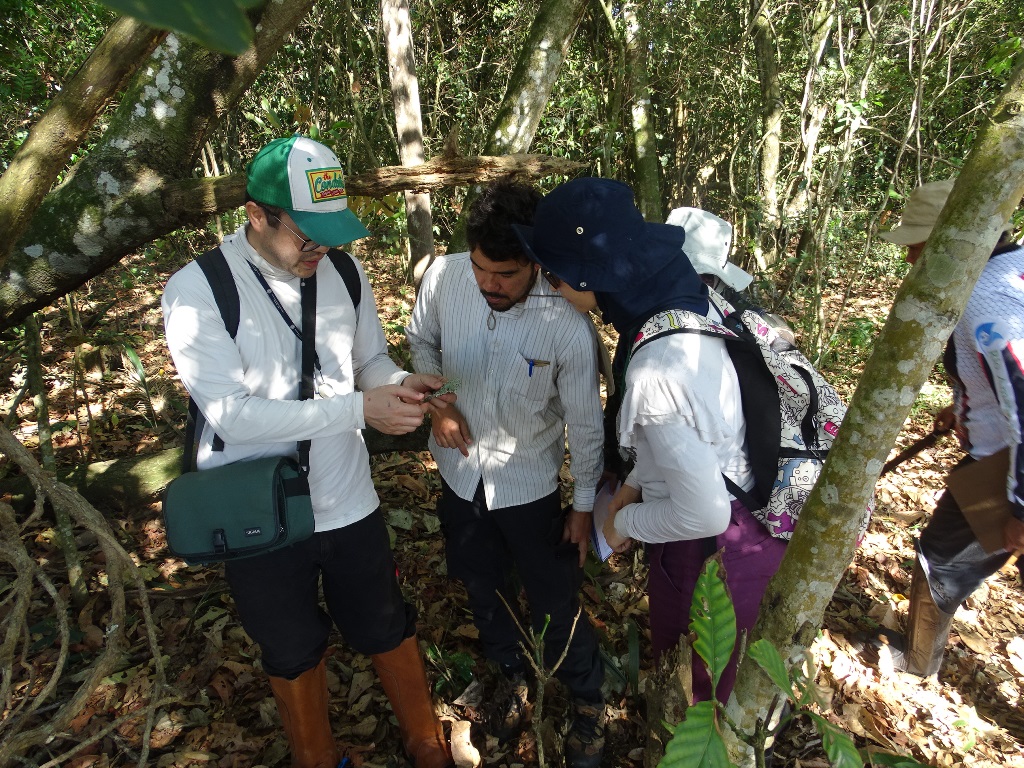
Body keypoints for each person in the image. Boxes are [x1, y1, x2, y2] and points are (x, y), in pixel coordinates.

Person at [162, 135, 455, 768]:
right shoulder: (199, 290)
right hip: (259, 508)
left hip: (346, 494)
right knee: (291, 644)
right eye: (306, 236)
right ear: (256, 215)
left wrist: (399, 384)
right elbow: (233, 418)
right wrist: (358, 408)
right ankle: (316, 755)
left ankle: (424, 741)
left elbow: (367, 360)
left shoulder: (343, 272)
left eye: (330, 236)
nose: (320, 251)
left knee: (383, 620)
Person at [514, 177, 789, 703]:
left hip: (714, 549)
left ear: (589, 275)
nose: (549, 288)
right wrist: (635, 485)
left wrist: (624, 523)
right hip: (749, 512)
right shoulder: (688, 303)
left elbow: (703, 514)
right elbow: (692, 433)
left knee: (700, 702)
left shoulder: (658, 369)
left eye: (552, 274)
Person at [405, 180, 606, 767]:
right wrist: (439, 406)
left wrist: (584, 503)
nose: (490, 285)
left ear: (535, 263)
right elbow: (421, 341)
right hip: (460, 475)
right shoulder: (444, 278)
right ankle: (509, 677)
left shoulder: (566, 324)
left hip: (529, 488)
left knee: (554, 597)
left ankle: (587, 702)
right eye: (482, 270)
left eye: (507, 275)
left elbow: (586, 425)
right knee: (481, 585)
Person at [873, 178, 1024, 677]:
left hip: (1005, 465)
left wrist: (1021, 504)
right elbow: (995, 377)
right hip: (999, 448)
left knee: (938, 558)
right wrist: (963, 406)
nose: (911, 260)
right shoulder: (1011, 270)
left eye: (918, 246)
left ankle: (917, 665)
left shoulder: (986, 298)